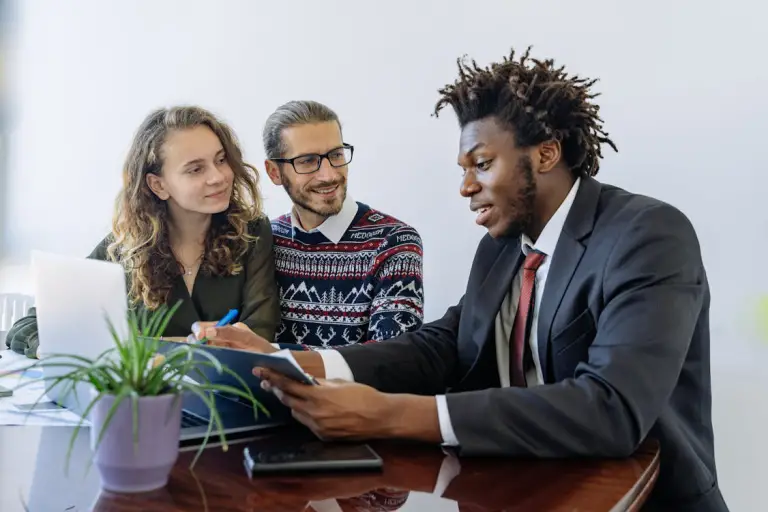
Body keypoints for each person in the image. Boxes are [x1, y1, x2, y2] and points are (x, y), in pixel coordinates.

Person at [197, 48, 728, 511]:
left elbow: (608, 410)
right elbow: (442, 346)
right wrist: (286, 362)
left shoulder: (648, 234)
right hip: (512, 490)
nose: (465, 186)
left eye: (481, 163)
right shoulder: (500, 249)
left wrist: (389, 414)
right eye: (462, 168)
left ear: (546, 153)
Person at [6, 106, 280, 358]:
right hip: (144, 402)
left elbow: (258, 336)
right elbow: (31, 326)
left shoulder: (252, 234)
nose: (218, 176)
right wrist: (55, 352)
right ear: (158, 185)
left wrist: (142, 346)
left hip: (227, 401)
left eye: (221, 160)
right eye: (196, 169)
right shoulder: (126, 247)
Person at [261, 100, 424, 348]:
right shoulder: (263, 241)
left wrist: (272, 354)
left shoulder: (394, 243)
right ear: (274, 172)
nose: (329, 174)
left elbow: (390, 361)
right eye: (307, 161)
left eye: (336, 155)